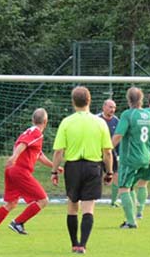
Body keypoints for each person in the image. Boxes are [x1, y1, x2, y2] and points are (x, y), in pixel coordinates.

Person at [51, 86, 113, 254]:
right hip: (93, 167)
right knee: (88, 208)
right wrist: (109, 172)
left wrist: (54, 171)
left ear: (73, 102)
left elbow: (58, 151)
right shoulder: (100, 122)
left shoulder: (67, 122)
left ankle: (74, 243)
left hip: (73, 167)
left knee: (72, 207)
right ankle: (82, 245)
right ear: (89, 100)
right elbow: (107, 152)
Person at [0, 108, 61, 235]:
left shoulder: (29, 132)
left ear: (32, 120)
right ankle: (18, 223)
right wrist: (14, 157)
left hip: (11, 170)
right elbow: (23, 144)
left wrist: (54, 166)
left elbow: (39, 155)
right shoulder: (36, 133)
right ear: (45, 121)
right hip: (20, 171)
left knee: (12, 203)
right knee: (43, 200)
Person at [112, 87, 150, 229]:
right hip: (146, 158)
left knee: (123, 188)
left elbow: (118, 135)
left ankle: (131, 222)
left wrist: (106, 149)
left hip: (130, 158)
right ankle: (134, 215)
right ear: (141, 99)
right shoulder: (148, 115)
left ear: (128, 99)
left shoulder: (128, 114)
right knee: (131, 187)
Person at [97, 99, 120, 207]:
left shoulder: (117, 121)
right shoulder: (96, 119)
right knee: (97, 175)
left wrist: (119, 154)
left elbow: (119, 138)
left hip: (111, 153)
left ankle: (113, 201)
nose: (112, 110)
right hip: (96, 152)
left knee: (116, 175)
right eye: (110, 107)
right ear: (104, 107)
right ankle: (93, 197)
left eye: (114, 107)